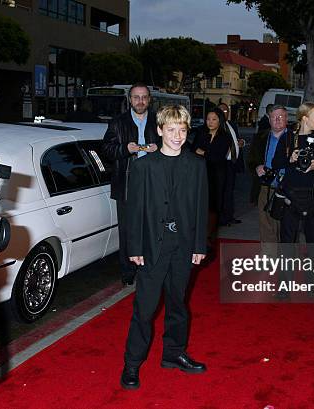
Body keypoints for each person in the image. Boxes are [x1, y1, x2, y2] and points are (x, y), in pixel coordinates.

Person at [120, 105, 208, 390]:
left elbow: (200, 208)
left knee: (178, 305)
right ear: (159, 131)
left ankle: (173, 354)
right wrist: (134, 247)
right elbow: (133, 211)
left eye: (182, 130)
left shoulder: (196, 165)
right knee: (144, 309)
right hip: (151, 248)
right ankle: (131, 365)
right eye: (171, 130)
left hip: (182, 246)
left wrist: (199, 245)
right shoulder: (144, 166)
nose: (177, 136)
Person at [102, 83, 160, 285]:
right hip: (126, 184)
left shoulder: (159, 121)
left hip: (154, 184)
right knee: (127, 232)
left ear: (149, 99)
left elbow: (175, 145)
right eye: (136, 97)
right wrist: (125, 149)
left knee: (152, 228)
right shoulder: (118, 123)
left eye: (144, 97)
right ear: (129, 99)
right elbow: (107, 150)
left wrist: (159, 149)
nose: (140, 101)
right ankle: (128, 272)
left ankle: (150, 269)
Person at [272, 102, 314, 244]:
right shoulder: (288, 138)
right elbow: (275, 164)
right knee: (287, 242)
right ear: (305, 118)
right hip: (290, 198)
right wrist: (290, 159)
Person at [247, 105, 290, 256]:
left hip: (287, 189)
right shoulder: (260, 137)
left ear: (286, 119)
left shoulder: (294, 138)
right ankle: (270, 257)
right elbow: (250, 160)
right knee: (266, 225)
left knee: (284, 226)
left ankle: (285, 256)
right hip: (265, 187)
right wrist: (256, 167)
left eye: (281, 117)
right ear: (269, 119)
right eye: (274, 117)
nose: (277, 120)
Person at [192, 107, 231, 251]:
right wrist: (206, 153)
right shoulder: (201, 133)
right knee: (199, 206)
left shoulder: (224, 136)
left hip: (216, 175)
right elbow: (193, 151)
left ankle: (209, 239)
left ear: (220, 120)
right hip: (200, 174)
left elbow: (218, 156)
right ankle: (198, 238)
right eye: (208, 119)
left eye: (214, 119)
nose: (210, 122)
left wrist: (204, 152)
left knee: (213, 207)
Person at [218, 102, 245, 226]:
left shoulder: (231, 124)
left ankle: (229, 216)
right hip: (221, 164)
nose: (225, 113)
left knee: (230, 191)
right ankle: (222, 218)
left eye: (226, 111)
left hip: (232, 163)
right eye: (222, 111)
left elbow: (237, 139)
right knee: (222, 191)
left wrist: (241, 142)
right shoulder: (216, 126)